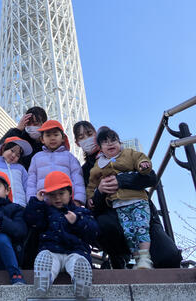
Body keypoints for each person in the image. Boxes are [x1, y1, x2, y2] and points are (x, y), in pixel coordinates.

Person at [73, 120, 182, 269]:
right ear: (77, 142)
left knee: (169, 257)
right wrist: (99, 192)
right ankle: (117, 258)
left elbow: (151, 177)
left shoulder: (124, 154)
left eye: (89, 134)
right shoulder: (85, 170)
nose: (86, 138)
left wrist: (121, 180)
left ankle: (145, 258)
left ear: (96, 134)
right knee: (102, 224)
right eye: (81, 137)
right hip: (114, 218)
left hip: (141, 212)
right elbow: (92, 204)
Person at [87, 126, 154, 268]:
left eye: (113, 140)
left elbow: (142, 162)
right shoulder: (98, 166)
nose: (110, 144)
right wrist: (92, 197)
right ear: (100, 147)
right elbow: (92, 184)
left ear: (120, 143)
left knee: (141, 227)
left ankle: (145, 257)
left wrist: (143, 165)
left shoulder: (129, 154)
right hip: (119, 205)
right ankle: (138, 260)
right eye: (105, 142)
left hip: (137, 200)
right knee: (128, 232)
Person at [25, 171, 98, 298]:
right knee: (46, 259)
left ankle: (80, 284)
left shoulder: (81, 211)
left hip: (76, 251)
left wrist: (77, 221)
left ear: (70, 193)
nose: (57, 198)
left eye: (61, 193)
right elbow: (33, 221)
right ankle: (44, 282)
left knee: (77, 262)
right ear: (46, 195)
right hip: (52, 251)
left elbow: (94, 232)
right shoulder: (45, 211)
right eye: (52, 195)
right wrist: (37, 202)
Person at [26, 120, 86, 205]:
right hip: (44, 201)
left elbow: (78, 179)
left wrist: (78, 199)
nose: (52, 138)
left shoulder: (70, 157)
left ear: (63, 138)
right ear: (42, 139)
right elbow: (31, 181)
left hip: (66, 201)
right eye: (48, 135)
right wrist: (31, 200)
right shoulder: (36, 157)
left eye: (56, 134)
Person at [0, 136, 32, 207]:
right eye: (12, 151)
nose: (13, 155)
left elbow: (28, 185)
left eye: (18, 155)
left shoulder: (21, 168)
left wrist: (30, 201)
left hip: (20, 205)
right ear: (4, 148)